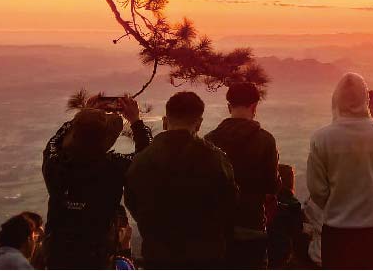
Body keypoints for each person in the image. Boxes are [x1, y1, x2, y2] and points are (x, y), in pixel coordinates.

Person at [125, 91, 238, 269]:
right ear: (199, 124)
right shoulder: (216, 160)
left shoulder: (143, 159)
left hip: (157, 255)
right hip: (206, 255)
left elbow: (132, 202)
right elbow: (229, 204)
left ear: (165, 121)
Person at [42, 96, 151, 269]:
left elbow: (54, 141)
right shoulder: (113, 167)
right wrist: (136, 121)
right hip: (97, 258)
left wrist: (83, 117)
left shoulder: (55, 165)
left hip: (57, 256)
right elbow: (146, 155)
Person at [306, 73, 373, 270]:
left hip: (337, 231)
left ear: (336, 99)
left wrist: (337, 205)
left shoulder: (321, 138)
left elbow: (317, 190)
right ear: (366, 99)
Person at [206, 81, 280, 269]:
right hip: (251, 224)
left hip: (216, 229)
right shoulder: (265, 140)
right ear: (254, 107)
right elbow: (272, 186)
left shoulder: (209, 140)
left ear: (228, 106)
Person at [267, 165, 304, 269]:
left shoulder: (270, 202)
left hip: (268, 250)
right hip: (284, 253)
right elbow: (297, 231)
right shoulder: (294, 204)